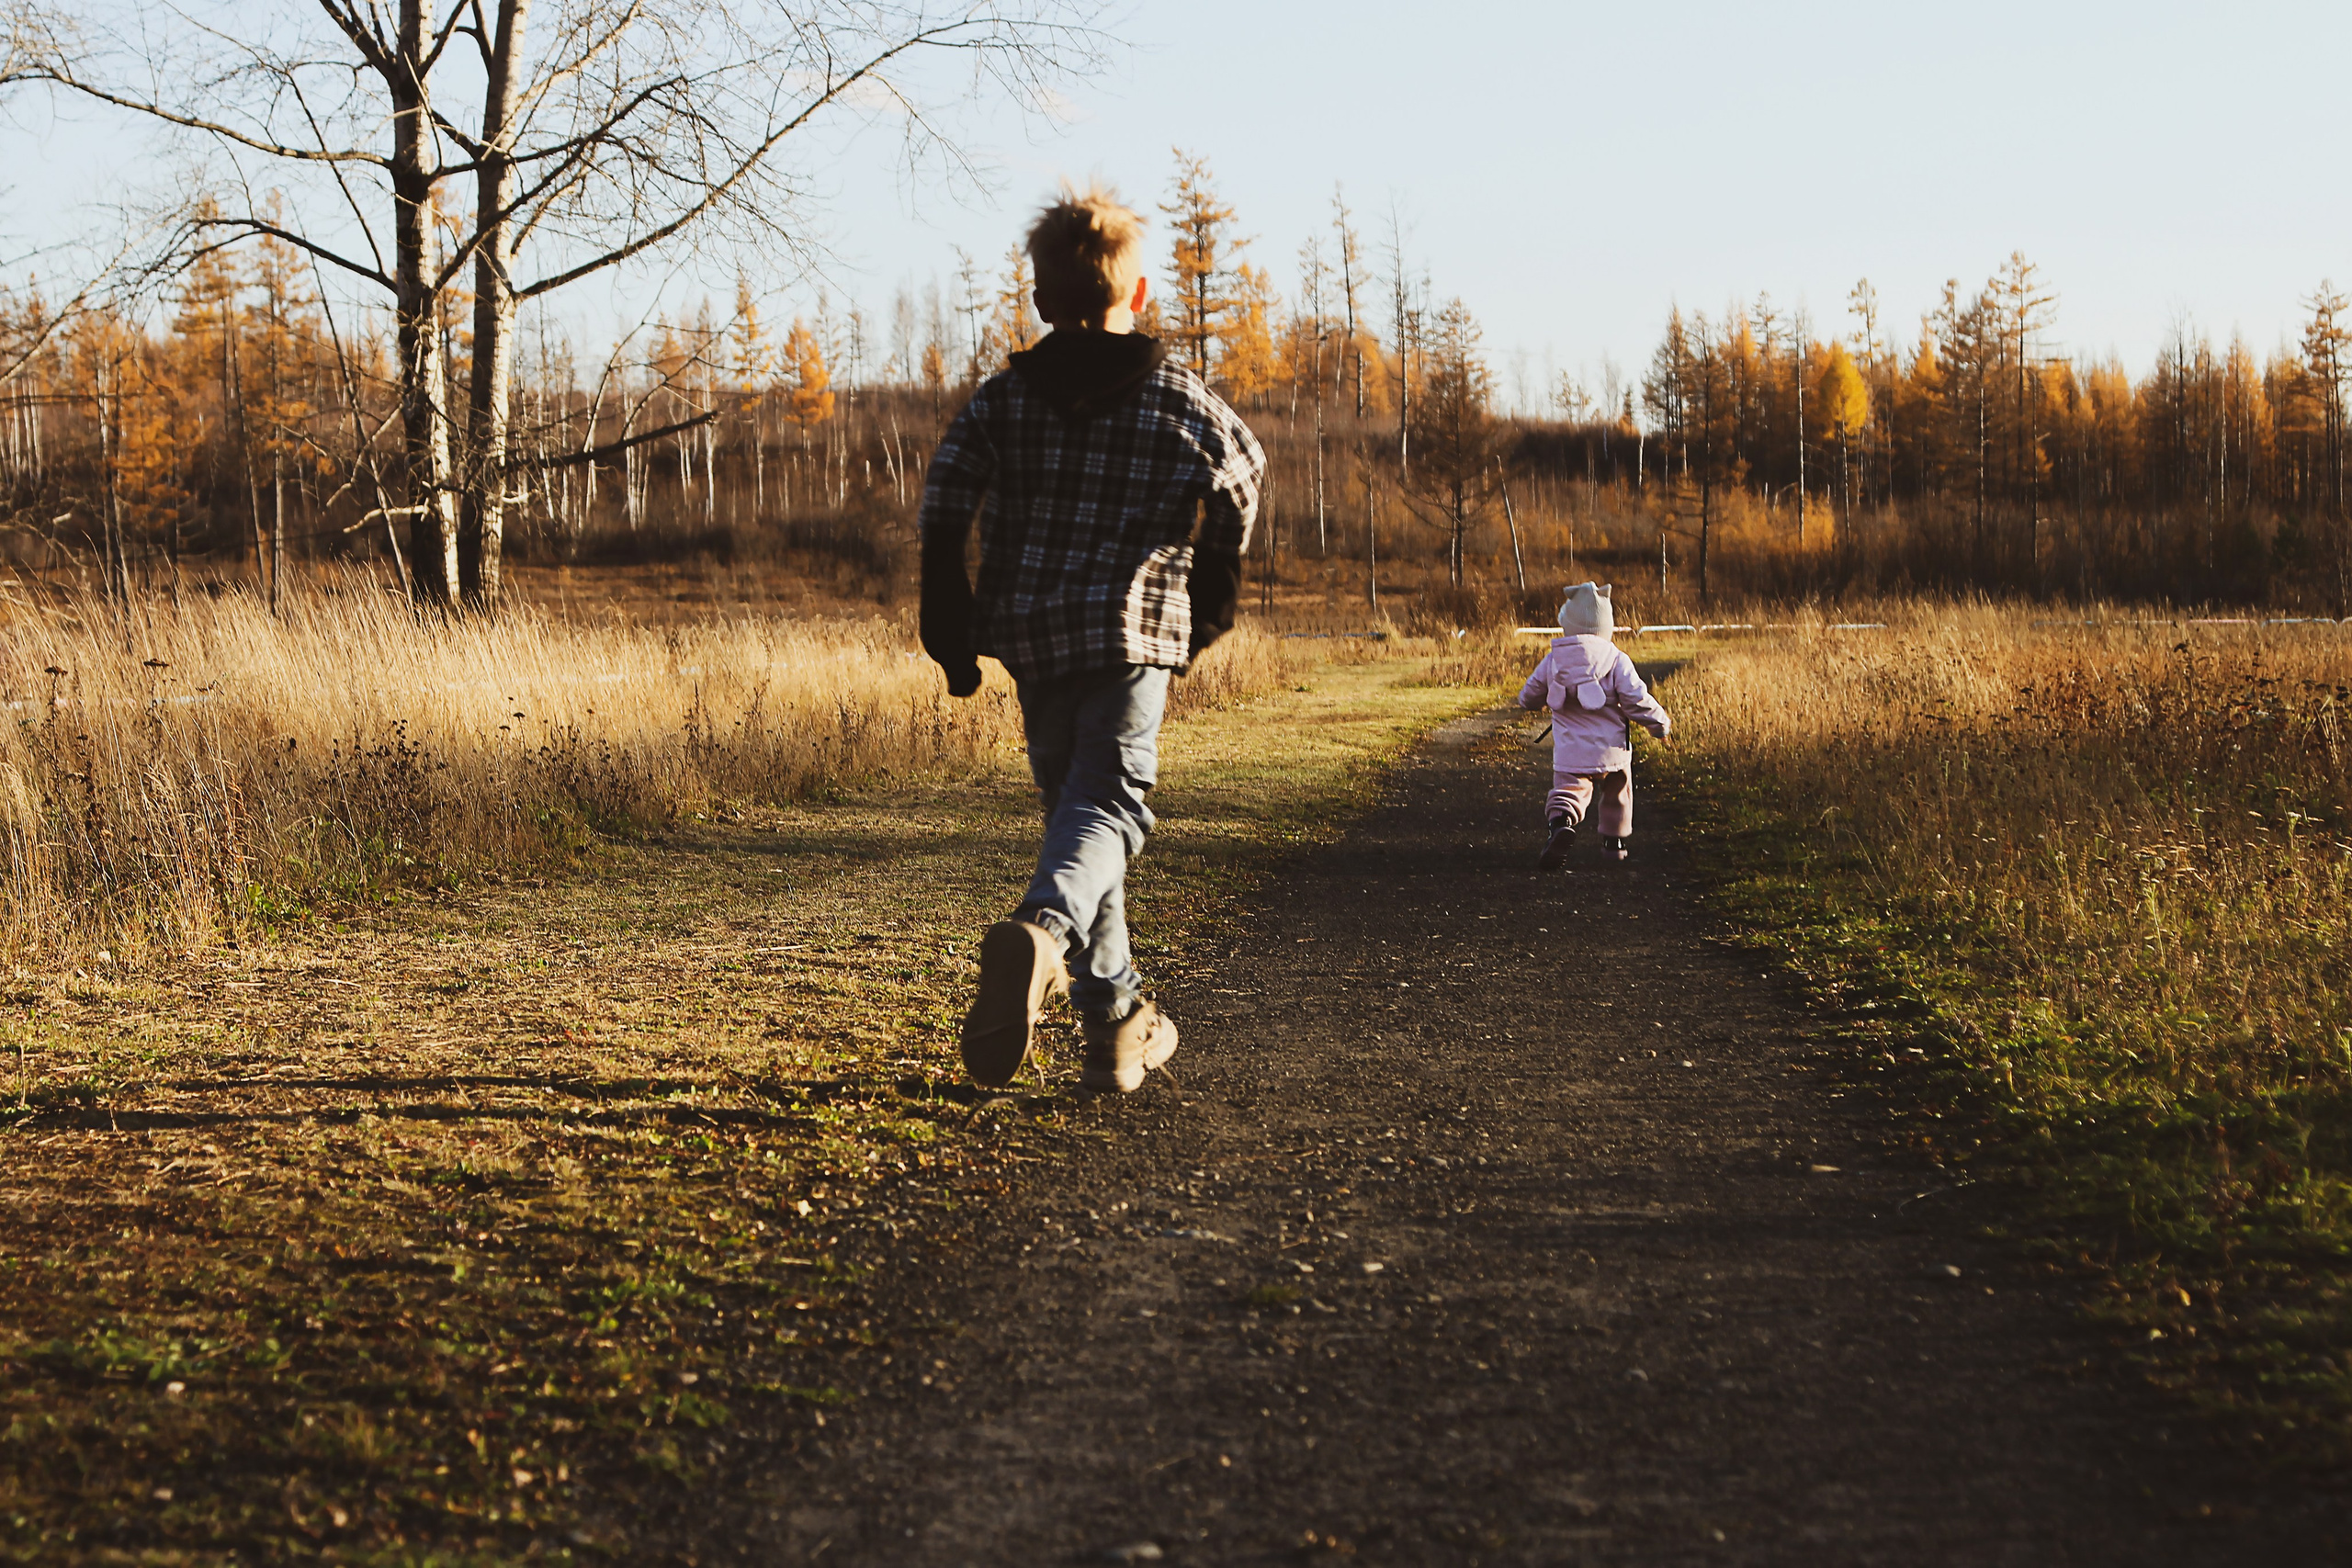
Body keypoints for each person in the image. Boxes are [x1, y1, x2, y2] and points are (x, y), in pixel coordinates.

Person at [918, 183, 1265, 1092]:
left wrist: (948, 620)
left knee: (1080, 818)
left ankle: (1114, 1023)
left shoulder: (1004, 400)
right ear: (1137, 293)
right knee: (1109, 810)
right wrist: (1213, 598)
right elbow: (1242, 478)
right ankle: (1042, 933)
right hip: (1131, 635)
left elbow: (945, 500)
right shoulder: (1179, 398)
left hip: (1032, 637)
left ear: (1041, 299)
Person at [1516, 582, 1671, 870]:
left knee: (1569, 792)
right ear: (1606, 626)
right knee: (1618, 792)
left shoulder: (1554, 660)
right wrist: (1659, 725)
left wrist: (1536, 701)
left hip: (1571, 752)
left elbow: (1528, 697)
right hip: (1612, 751)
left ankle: (1561, 824)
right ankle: (1615, 846)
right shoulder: (1617, 660)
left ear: (1568, 625)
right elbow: (1637, 700)